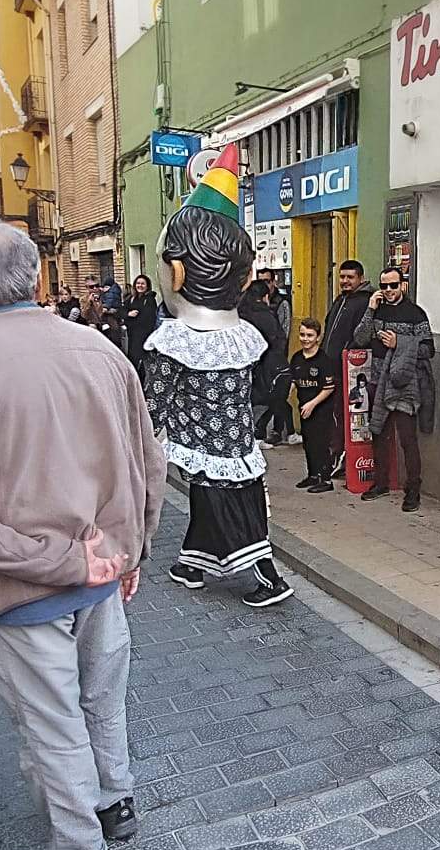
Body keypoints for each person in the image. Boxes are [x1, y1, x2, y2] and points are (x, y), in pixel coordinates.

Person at [0, 218, 166, 850]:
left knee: (54, 726)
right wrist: (132, 551)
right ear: (36, 278)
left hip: (22, 588)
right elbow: (149, 462)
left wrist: (36, 563)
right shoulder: (99, 348)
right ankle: (113, 801)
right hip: (101, 571)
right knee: (102, 702)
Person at [144, 152, 293, 607]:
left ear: (176, 273)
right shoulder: (241, 335)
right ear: (244, 280)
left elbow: (154, 402)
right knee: (221, 502)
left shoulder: (173, 341)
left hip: (204, 443)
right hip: (238, 439)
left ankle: (268, 578)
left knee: (229, 509)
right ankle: (192, 563)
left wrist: (138, 440)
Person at [354, 266, 434, 511]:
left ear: (402, 286)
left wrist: (400, 342)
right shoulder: (377, 310)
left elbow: (428, 349)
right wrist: (370, 308)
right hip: (377, 380)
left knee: (407, 439)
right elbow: (360, 338)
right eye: (384, 286)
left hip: (404, 384)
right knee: (379, 433)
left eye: (393, 285)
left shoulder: (415, 314)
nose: (388, 290)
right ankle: (381, 483)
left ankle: (413, 490)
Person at [289, 318, 338, 492]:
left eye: (310, 335)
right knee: (308, 442)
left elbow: (329, 388)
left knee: (321, 443)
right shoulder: (296, 358)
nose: (305, 339)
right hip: (304, 408)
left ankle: (326, 480)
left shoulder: (324, 360)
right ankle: (313, 475)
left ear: (318, 337)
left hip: (321, 409)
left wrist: (312, 404)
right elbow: (294, 380)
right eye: (302, 335)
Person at [241, 281, 292, 446]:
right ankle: (259, 434)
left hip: (248, 364)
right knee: (272, 398)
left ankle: (255, 434)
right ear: (265, 297)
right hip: (269, 364)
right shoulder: (267, 316)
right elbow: (278, 339)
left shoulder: (241, 314)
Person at [323, 260, 372, 357]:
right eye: (342, 277)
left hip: (350, 360)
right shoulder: (339, 299)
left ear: (361, 278)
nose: (345, 281)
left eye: (350, 277)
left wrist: (347, 352)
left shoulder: (367, 301)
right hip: (329, 359)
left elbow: (363, 336)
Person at [122, 275, 161, 368]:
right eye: (138, 283)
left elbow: (148, 318)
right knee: (132, 360)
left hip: (144, 336)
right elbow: (120, 311)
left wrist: (130, 320)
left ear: (147, 286)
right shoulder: (131, 299)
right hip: (132, 335)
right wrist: (128, 314)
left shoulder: (150, 300)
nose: (140, 285)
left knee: (142, 362)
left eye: (143, 284)